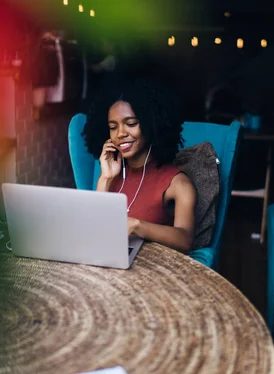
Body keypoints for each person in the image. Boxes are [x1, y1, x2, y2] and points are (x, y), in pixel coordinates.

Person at [82, 79, 196, 254]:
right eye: (113, 127)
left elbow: (185, 240)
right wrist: (105, 179)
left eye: (131, 124)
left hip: (148, 271)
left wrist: (137, 225)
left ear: (151, 124)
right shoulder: (111, 174)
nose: (120, 134)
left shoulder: (178, 183)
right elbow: (91, 232)